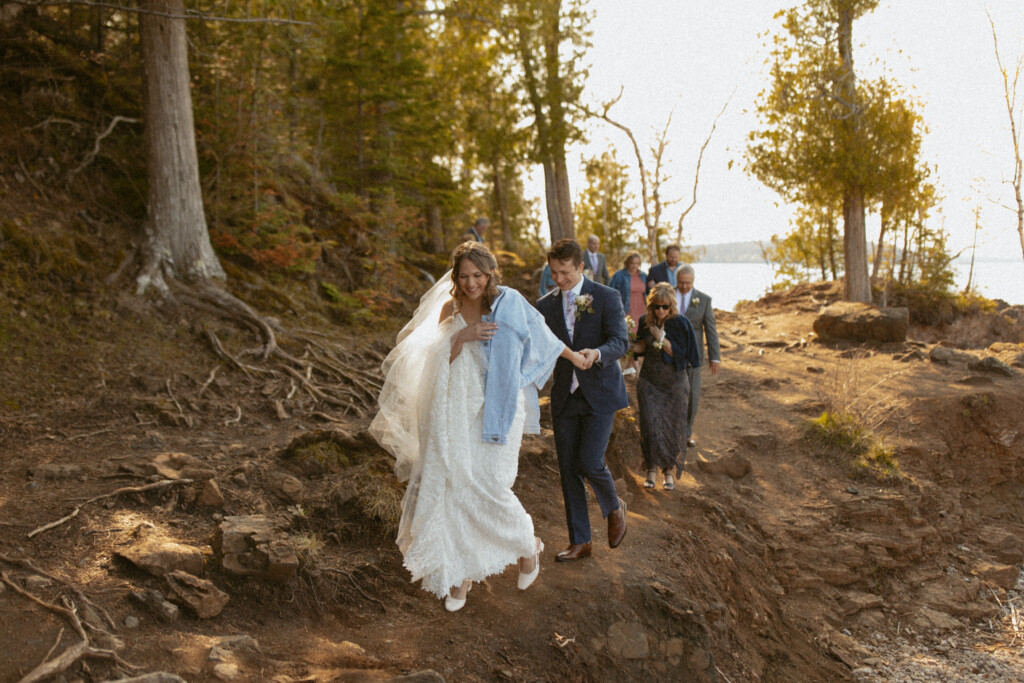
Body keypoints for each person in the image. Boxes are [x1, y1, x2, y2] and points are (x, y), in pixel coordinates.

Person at [369, 242, 591, 611]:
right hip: (457, 409)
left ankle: (527, 544)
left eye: (478, 275)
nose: (471, 283)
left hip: (500, 407)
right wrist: (459, 337)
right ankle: (461, 576)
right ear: (455, 277)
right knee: (458, 486)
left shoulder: (509, 302)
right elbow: (428, 359)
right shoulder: (449, 308)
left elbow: (542, 336)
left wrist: (576, 359)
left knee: (489, 483)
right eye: (464, 276)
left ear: (490, 274)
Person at [537, 238, 630, 563]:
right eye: (553, 273)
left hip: (601, 393)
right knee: (568, 470)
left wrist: (599, 353)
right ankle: (581, 541)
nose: (558, 279)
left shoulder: (607, 296)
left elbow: (621, 341)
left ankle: (614, 507)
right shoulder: (544, 305)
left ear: (581, 267)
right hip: (564, 396)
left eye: (564, 272)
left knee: (589, 461)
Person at [631, 283, 699, 490]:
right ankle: (651, 469)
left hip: (674, 385)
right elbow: (641, 347)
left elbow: (682, 355)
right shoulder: (645, 321)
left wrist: (661, 337)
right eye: (657, 306)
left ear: (672, 306)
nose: (661, 310)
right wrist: (624, 342)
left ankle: (668, 470)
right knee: (650, 426)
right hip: (650, 382)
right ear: (651, 306)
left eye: (665, 306)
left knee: (671, 427)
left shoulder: (681, 324)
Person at [675, 264, 721, 448]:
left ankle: (687, 432)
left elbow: (711, 330)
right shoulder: (667, 294)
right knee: (672, 392)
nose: (684, 286)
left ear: (693, 281)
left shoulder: (704, 300)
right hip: (670, 353)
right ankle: (672, 430)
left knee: (692, 393)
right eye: (681, 283)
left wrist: (714, 357)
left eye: (688, 283)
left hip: (694, 355)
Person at [608, 251, 647, 376]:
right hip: (627, 310)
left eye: (637, 263)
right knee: (628, 337)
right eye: (632, 263)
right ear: (627, 263)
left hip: (641, 309)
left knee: (637, 337)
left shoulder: (643, 275)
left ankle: (630, 367)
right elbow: (610, 292)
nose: (634, 266)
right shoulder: (619, 275)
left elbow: (647, 292)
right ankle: (635, 368)